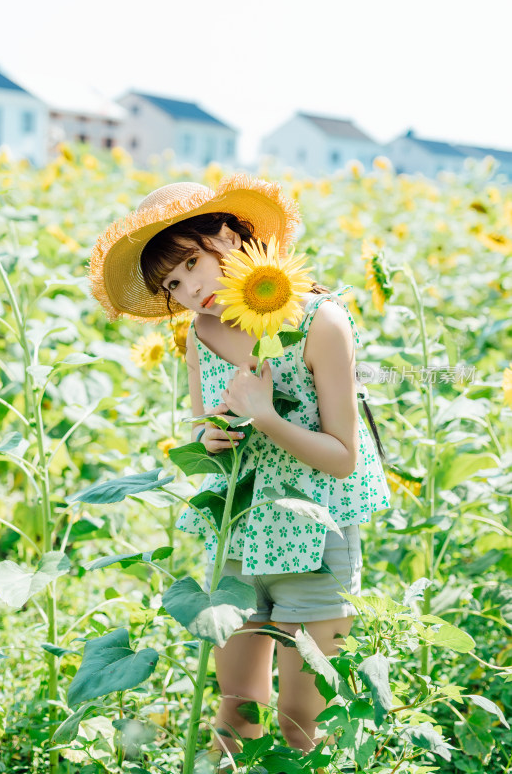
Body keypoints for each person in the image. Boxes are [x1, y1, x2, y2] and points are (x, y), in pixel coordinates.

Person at [88, 175, 391, 759]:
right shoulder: (201, 331)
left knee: (304, 718)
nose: (188, 289)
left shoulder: (320, 321)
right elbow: (202, 429)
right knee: (235, 704)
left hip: (316, 534)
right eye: (174, 284)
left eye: (192, 263)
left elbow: (344, 457)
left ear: (228, 235)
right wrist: (213, 434)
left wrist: (267, 417)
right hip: (236, 528)